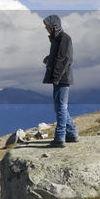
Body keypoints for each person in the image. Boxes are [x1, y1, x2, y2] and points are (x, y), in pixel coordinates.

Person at [41, 15, 78, 147]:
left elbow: (64, 60)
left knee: (61, 107)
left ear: (54, 26)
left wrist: (56, 77)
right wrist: (49, 57)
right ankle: (72, 134)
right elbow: (58, 56)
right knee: (60, 108)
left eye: (47, 26)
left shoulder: (64, 38)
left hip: (62, 78)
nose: (46, 28)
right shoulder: (57, 39)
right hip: (59, 77)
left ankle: (60, 138)